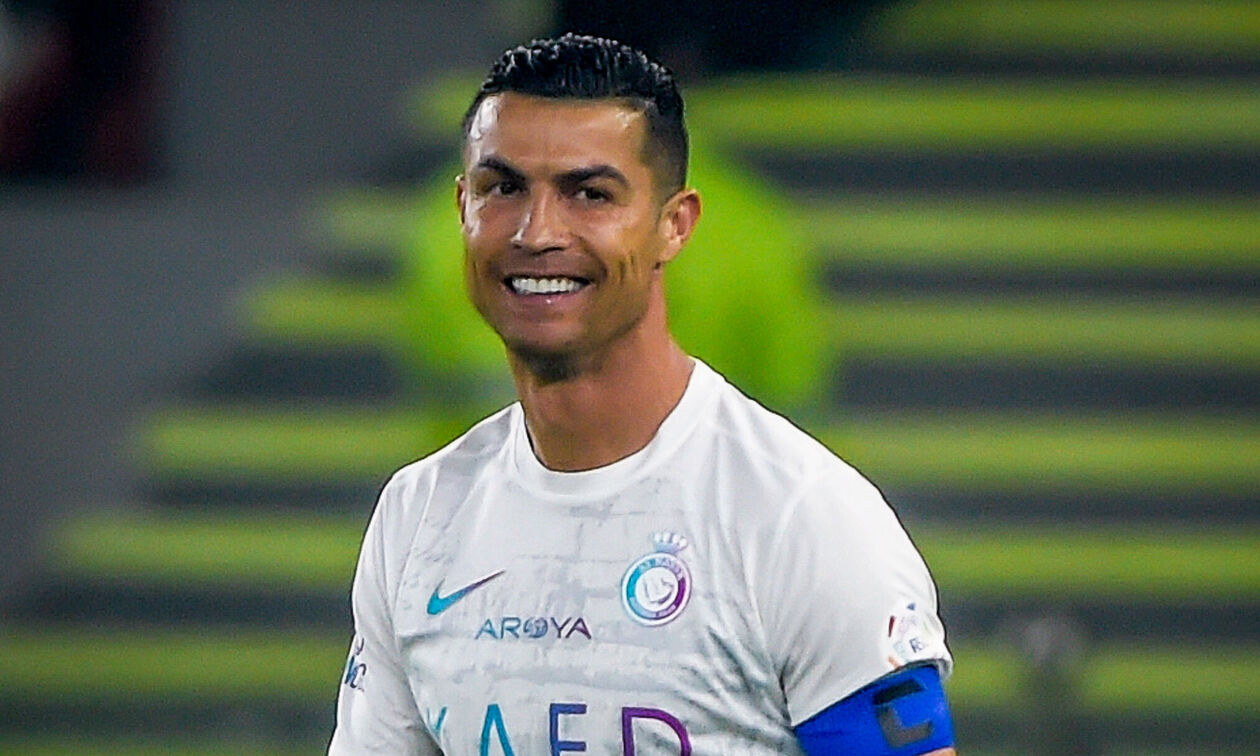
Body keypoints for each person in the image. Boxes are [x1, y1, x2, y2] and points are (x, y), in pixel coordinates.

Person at [328, 33, 956, 755]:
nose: (537, 232)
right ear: (461, 205)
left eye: (589, 194)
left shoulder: (802, 522)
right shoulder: (417, 517)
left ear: (674, 225)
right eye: (503, 188)